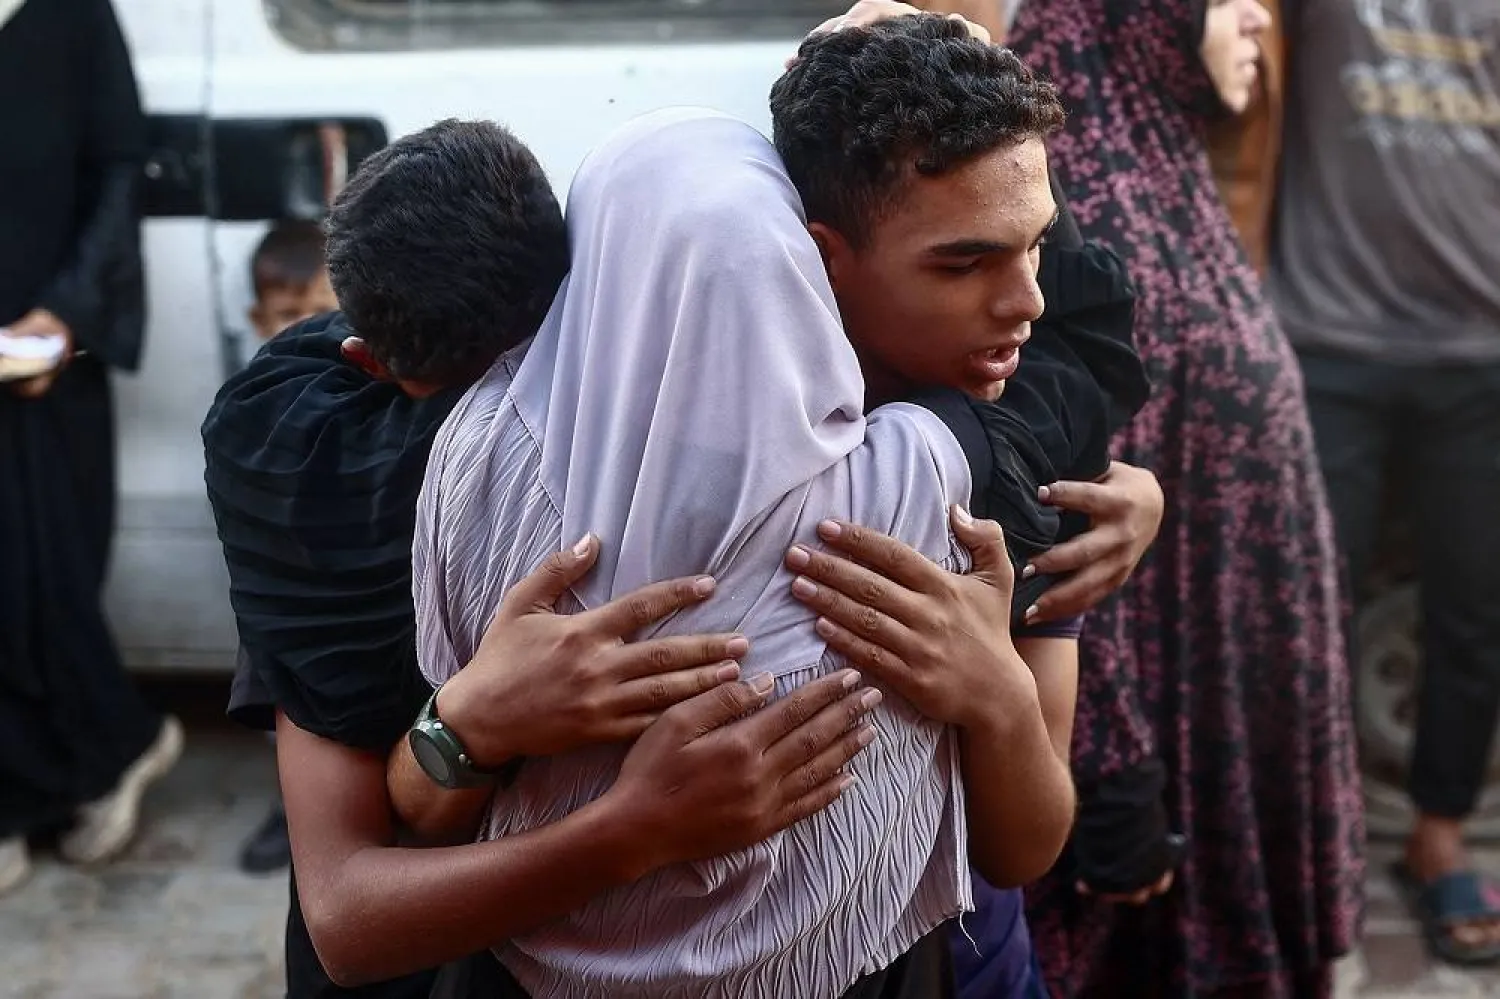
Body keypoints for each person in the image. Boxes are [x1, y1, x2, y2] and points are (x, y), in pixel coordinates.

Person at [205, 120, 887, 999]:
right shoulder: (749, 445)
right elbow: (352, 917)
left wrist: (478, 738)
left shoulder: (304, 474)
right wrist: (628, 825)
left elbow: (346, 912)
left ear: (364, 358)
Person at [1007, 0, 1365, 995]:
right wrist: (1116, 778)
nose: (1259, 21)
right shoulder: (1071, 204)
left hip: (1223, 696)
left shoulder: (1158, 155)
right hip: (1160, 726)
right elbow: (1063, 519)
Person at [1263, 0, 1500, 967]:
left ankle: (1439, 832)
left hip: (1483, 344)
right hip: (1328, 337)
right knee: (1310, 605)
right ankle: (1320, 833)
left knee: (1475, 607)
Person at [0, 0, 182, 896]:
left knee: (41, 582)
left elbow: (118, 169)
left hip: (40, 361)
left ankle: (105, 753)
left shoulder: (66, 15)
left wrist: (68, 319)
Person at [234, 218, 341, 877]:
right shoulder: (253, 396)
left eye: (320, 311)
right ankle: (294, 814)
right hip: (277, 586)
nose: (303, 327)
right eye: (287, 313)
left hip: (343, 579)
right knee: (285, 707)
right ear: (257, 317)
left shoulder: (365, 383)